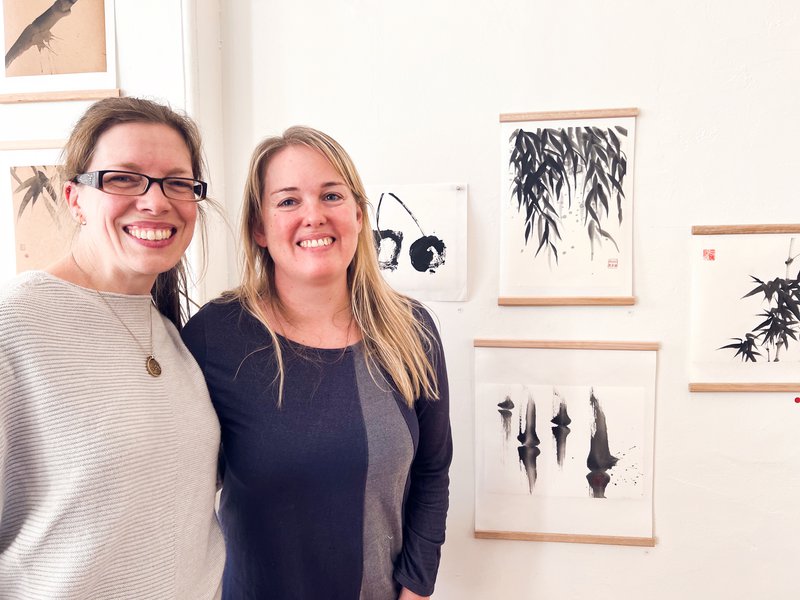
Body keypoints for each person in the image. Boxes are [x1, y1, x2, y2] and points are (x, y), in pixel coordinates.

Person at [181, 126, 452, 599]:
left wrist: (416, 587)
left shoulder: (413, 332)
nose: (314, 216)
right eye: (288, 201)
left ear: (358, 215)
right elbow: (175, 488)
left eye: (331, 195)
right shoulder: (215, 336)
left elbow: (433, 470)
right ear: (258, 228)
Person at [0, 97, 225, 599]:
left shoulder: (174, 337)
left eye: (177, 182)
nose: (155, 200)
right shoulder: (14, 324)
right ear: (75, 198)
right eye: (123, 178)